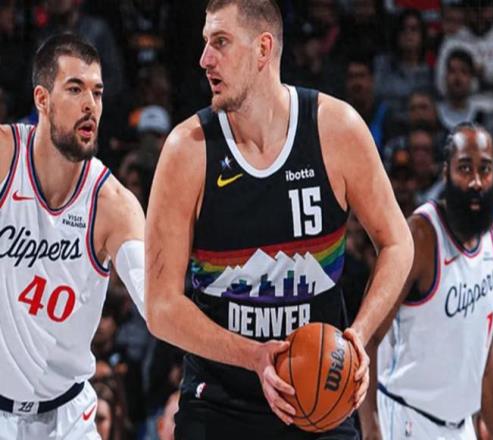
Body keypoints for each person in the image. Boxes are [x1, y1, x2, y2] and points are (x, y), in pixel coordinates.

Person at [145, 1, 413, 439]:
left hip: (321, 395)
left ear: (263, 49)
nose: (204, 59)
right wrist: (253, 356)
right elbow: (160, 307)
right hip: (219, 402)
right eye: (205, 43)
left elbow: (398, 243)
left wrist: (359, 335)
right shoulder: (186, 151)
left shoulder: (336, 130)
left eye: (220, 42)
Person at [0, 34, 145, 439]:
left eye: (97, 93)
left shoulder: (113, 204)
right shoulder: (5, 157)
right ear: (42, 99)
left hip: (67, 418)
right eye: (75, 89)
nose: (90, 105)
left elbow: (157, 305)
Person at [359, 123, 493, 439]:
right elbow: (367, 335)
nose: (476, 181)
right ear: (445, 172)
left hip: (461, 426)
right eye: (465, 168)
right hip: (406, 420)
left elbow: (484, 350)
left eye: (485, 169)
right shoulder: (421, 235)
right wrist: (371, 427)